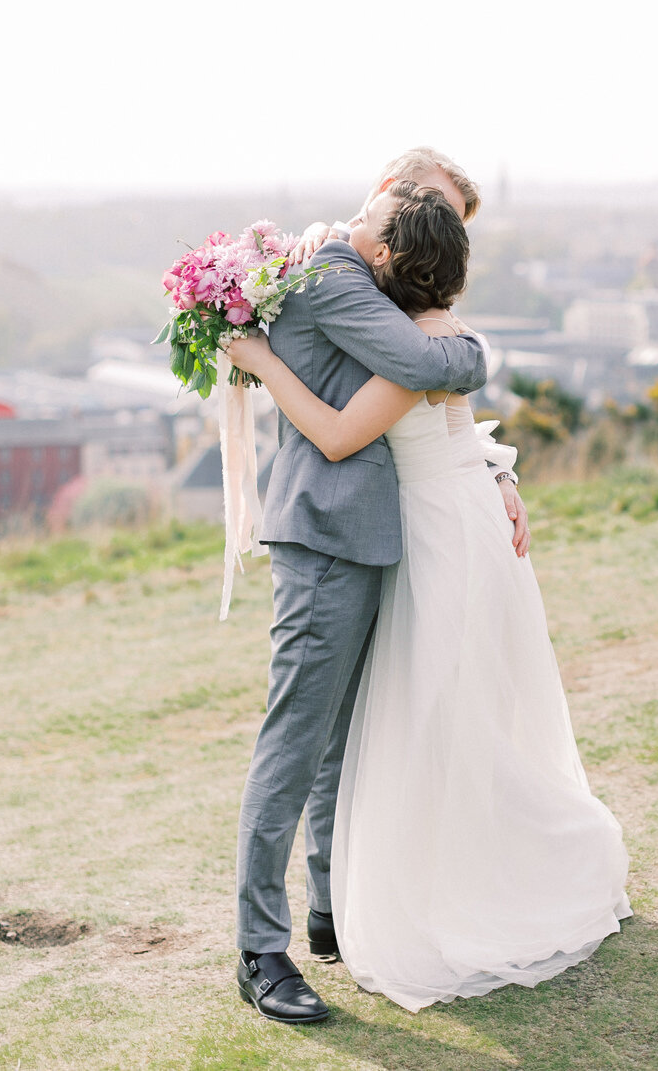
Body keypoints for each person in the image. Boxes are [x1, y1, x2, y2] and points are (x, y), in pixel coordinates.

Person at [226, 184, 632, 1015]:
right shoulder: (342, 279)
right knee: (306, 738)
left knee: (363, 736)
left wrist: (493, 452)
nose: (351, 216)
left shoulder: (390, 310)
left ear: (389, 254)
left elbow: (391, 406)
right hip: (346, 537)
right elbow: (425, 388)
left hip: (397, 538)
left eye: (369, 215)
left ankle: (336, 907)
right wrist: (476, 371)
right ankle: (263, 947)